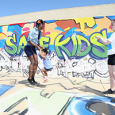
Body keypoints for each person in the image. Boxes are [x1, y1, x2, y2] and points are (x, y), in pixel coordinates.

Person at [95, 19, 115, 94]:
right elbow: (107, 40)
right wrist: (100, 38)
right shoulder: (113, 35)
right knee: (111, 74)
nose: (111, 26)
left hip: (114, 55)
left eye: (112, 24)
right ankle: (112, 89)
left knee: (113, 74)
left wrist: (100, 38)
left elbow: (106, 42)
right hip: (110, 55)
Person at [24, 19, 44, 85]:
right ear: (38, 25)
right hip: (28, 47)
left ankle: (32, 78)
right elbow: (29, 41)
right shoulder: (32, 31)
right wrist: (36, 46)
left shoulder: (40, 33)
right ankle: (29, 78)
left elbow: (37, 42)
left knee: (36, 62)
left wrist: (40, 46)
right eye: (41, 25)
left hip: (33, 47)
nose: (42, 26)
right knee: (32, 62)